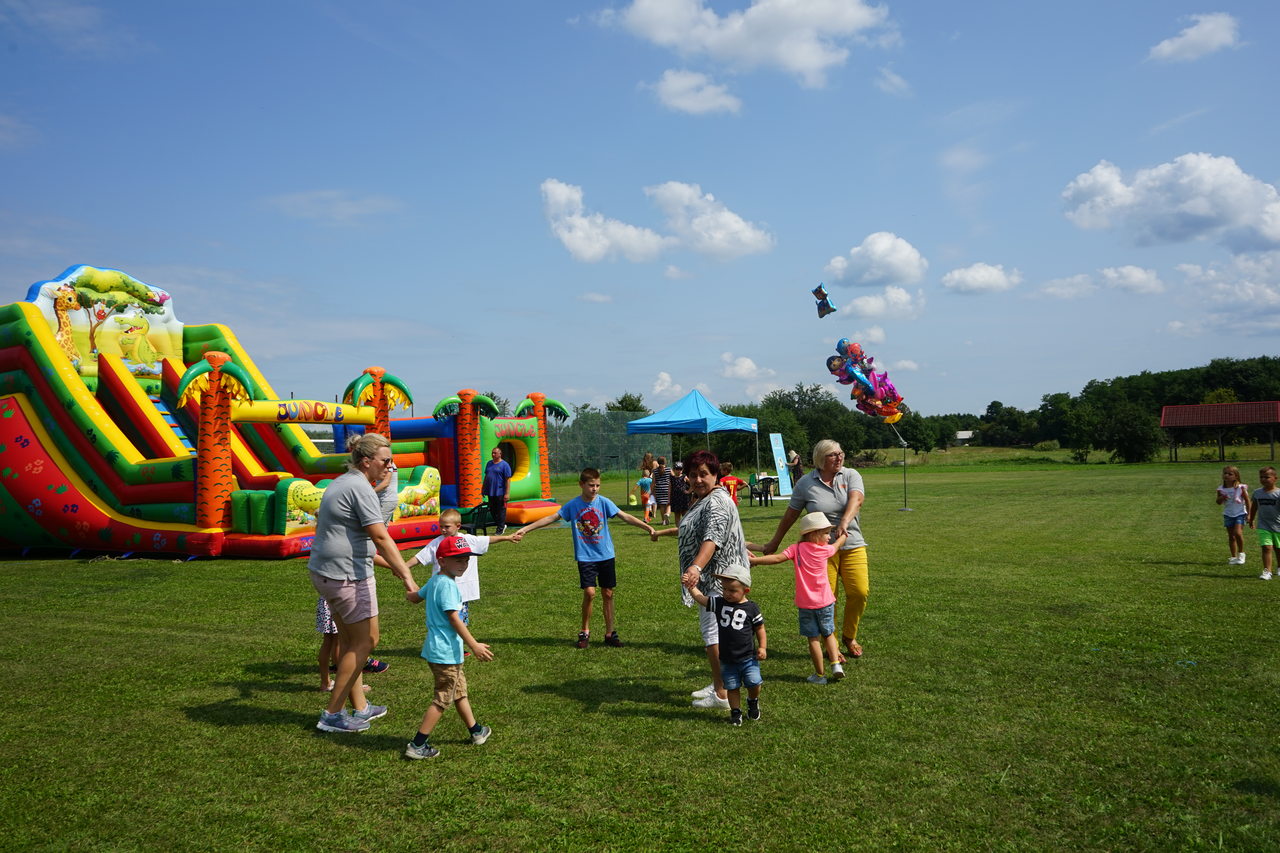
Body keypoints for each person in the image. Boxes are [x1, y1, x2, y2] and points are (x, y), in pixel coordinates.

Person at [309, 432, 419, 733]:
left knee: (350, 642)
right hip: (346, 575)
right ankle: (333, 714)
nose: (390, 467)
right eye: (386, 461)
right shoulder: (360, 488)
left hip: (328, 572)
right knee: (366, 641)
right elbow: (381, 536)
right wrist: (407, 575)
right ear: (367, 460)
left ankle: (360, 707)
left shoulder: (343, 481)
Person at [515, 467, 654, 648]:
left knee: (608, 593)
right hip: (586, 556)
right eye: (591, 485)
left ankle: (610, 633)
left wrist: (647, 527)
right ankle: (585, 631)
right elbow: (551, 518)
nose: (594, 489)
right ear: (581, 484)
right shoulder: (573, 505)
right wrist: (525, 529)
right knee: (590, 593)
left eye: (597, 485)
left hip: (606, 555)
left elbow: (625, 516)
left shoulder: (604, 502)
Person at [761, 440, 868, 660]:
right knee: (828, 599)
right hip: (818, 551)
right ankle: (833, 645)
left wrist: (844, 523)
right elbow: (791, 515)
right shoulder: (805, 484)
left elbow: (856, 500)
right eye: (832, 455)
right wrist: (774, 542)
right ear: (820, 458)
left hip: (852, 542)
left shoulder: (850, 475)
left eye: (840, 453)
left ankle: (850, 635)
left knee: (859, 592)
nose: (839, 458)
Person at [403, 535, 495, 759]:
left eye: (466, 560)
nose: (463, 564)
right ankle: (417, 745)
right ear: (442, 561)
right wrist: (473, 645)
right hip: (446, 653)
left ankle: (476, 731)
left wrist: (407, 581)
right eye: (458, 560)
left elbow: (415, 597)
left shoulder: (436, 580)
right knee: (442, 699)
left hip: (439, 651)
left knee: (459, 691)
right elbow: (455, 618)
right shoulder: (448, 587)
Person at [677, 449, 751, 710]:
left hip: (718, 580)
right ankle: (720, 683)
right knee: (717, 632)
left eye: (704, 474)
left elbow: (713, 538)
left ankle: (721, 693)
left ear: (716, 474)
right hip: (715, 577)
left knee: (713, 633)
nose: (698, 479)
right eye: (693, 474)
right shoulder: (706, 498)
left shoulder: (716, 501)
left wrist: (696, 567)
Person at [749, 511, 846, 684]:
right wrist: (843, 537)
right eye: (826, 533)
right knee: (829, 633)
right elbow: (837, 546)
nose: (829, 537)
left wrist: (755, 561)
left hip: (806, 604)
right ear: (814, 534)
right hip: (826, 602)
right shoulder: (825, 550)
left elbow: (777, 558)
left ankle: (820, 675)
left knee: (813, 638)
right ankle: (836, 664)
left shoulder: (796, 549)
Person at [409, 508, 519, 629]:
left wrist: (507, 537)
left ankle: (458, 645)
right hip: (443, 589)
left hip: (463, 592)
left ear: (458, 526)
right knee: (444, 621)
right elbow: (420, 557)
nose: (443, 530)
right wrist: (403, 567)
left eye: (447, 526)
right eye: (441, 526)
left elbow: (487, 539)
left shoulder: (468, 540)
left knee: (460, 623)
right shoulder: (437, 543)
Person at [682, 564, 766, 725]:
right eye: (725, 589)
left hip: (748, 657)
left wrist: (762, 647)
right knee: (732, 687)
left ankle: (752, 700)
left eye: (732, 590)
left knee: (754, 682)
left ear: (745, 591)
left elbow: (760, 628)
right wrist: (691, 586)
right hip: (727, 659)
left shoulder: (751, 608)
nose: (727, 593)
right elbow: (701, 599)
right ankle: (736, 712)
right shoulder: (720, 603)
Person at [1248, 466, 1280, 581]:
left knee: (1278, 548)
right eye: (1261, 477)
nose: (1263, 479)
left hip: (1278, 526)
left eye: (1267, 477)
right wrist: (1251, 519)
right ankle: (1267, 571)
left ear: (1275, 478)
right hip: (1263, 525)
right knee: (1266, 547)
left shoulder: (1278, 493)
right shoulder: (1257, 493)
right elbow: (1254, 506)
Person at [1217, 466, 1249, 566]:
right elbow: (1218, 502)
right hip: (1228, 514)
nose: (1226, 475)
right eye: (1225, 473)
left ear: (1236, 476)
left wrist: (1249, 514)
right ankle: (1233, 557)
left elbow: (1248, 501)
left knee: (1238, 533)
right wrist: (1222, 497)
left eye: (1230, 474)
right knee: (1231, 536)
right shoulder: (1221, 489)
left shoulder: (1240, 488)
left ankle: (1241, 554)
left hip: (1240, 513)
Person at [482, 447, 512, 534]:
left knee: (501, 510)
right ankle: (501, 524)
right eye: (492, 453)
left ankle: (500, 529)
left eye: (495, 453)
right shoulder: (489, 464)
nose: (493, 454)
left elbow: (507, 480)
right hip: (490, 491)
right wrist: (483, 488)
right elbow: (486, 477)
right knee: (492, 510)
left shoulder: (504, 465)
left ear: (500, 454)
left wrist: (507, 493)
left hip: (500, 491)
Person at [652, 456, 673, 525]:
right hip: (667, 489)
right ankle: (667, 514)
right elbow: (674, 477)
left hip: (658, 489)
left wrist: (652, 492)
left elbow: (653, 482)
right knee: (668, 504)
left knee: (661, 506)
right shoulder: (669, 469)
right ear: (665, 462)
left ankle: (663, 520)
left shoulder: (655, 471)